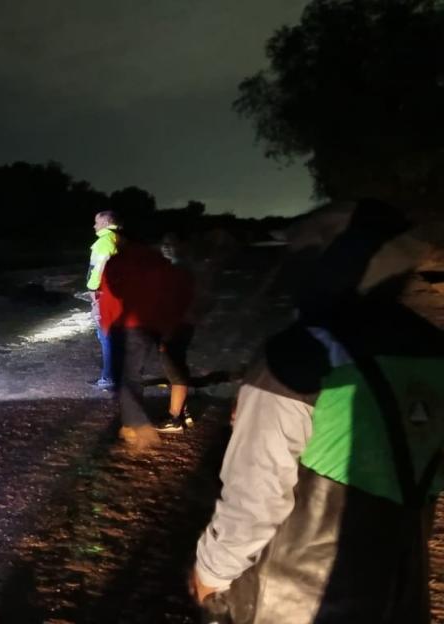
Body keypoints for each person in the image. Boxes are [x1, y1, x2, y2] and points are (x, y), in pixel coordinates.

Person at [190, 199, 444, 623]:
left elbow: (257, 492)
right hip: (399, 584)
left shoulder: (298, 356)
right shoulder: (433, 348)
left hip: (296, 596)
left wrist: (212, 572)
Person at [97, 235, 192, 450]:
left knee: (126, 376)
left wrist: (106, 325)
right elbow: (174, 297)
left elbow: (108, 296)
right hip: (151, 327)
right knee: (133, 375)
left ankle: (138, 426)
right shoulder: (161, 264)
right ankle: (130, 424)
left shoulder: (117, 262)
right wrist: (166, 327)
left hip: (125, 326)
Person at [155, 231, 200, 431]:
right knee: (179, 366)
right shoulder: (184, 268)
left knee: (174, 372)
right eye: (164, 243)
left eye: (171, 243)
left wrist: (165, 332)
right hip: (184, 325)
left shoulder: (178, 271)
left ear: (183, 246)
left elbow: (174, 304)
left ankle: (174, 419)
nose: (165, 247)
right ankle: (183, 411)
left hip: (175, 326)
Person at [87, 211, 121, 391]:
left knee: (105, 336)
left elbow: (97, 269)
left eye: (97, 222)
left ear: (106, 222)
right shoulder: (119, 239)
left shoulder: (104, 242)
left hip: (104, 294)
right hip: (117, 294)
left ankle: (108, 377)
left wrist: (93, 291)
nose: (94, 226)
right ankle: (116, 374)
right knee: (113, 336)